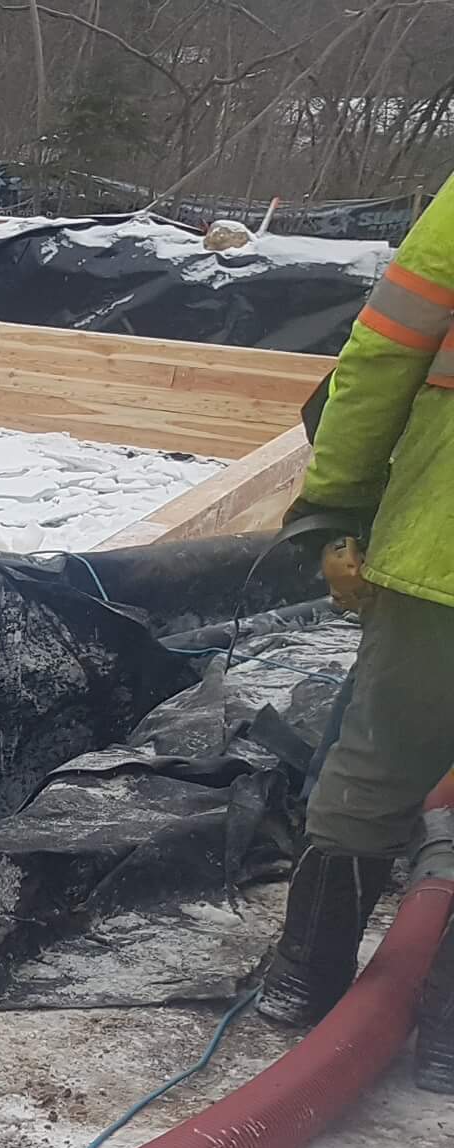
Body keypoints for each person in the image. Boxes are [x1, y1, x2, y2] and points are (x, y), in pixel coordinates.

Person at [258, 174, 454, 1093]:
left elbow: (380, 360)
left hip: (443, 555)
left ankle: (307, 979)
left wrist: (336, 508)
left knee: (377, 761)